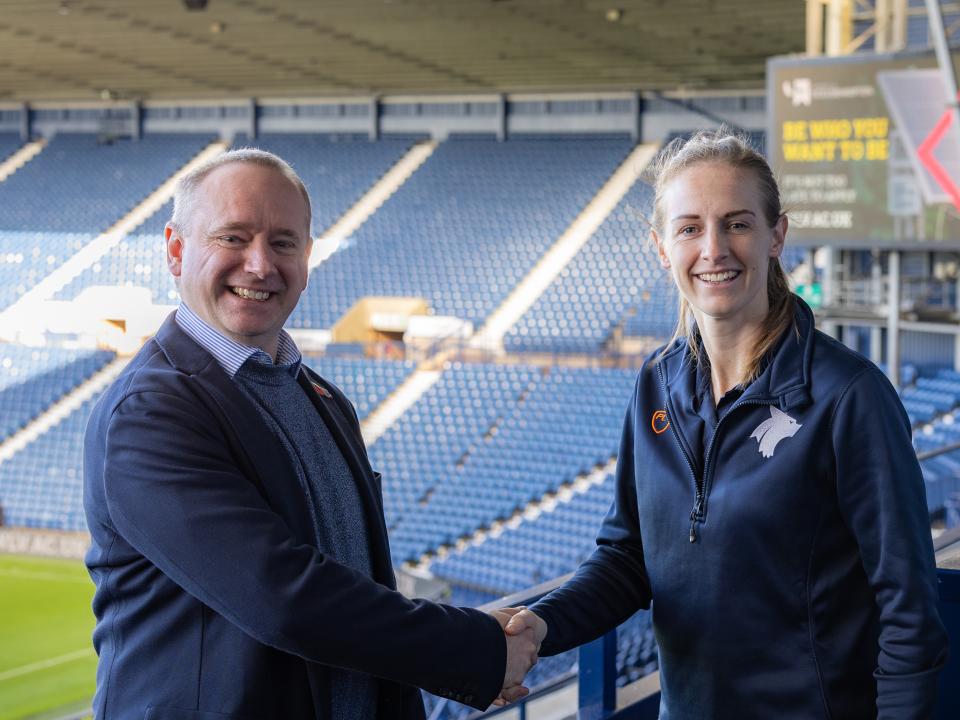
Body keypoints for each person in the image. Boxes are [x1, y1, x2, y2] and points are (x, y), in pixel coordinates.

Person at [502, 130, 949, 718]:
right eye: (689, 228)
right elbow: (628, 559)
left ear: (776, 236)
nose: (713, 249)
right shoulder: (655, 384)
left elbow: (909, 610)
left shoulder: (849, 397)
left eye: (737, 224)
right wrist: (540, 625)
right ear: (662, 247)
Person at [83, 148, 539, 719]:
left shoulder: (320, 396)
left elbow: (357, 576)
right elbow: (280, 595)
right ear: (176, 250)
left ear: (306, 256)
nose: (259, 265)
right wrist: (473, 649)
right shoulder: (148, 411)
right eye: (232, 238)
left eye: (283, 242)